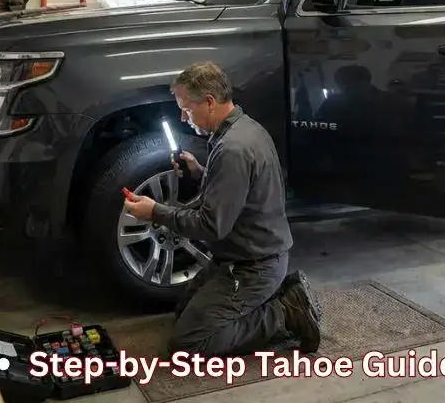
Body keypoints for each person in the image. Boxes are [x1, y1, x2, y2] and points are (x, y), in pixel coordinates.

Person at [122, 61, 323, 357]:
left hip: (253, 266)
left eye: (186, 109)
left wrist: (155, 212)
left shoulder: (232, 149)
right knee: (184, 313)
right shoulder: (244, 129)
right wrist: (199, 172)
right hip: (243, 257)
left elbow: (211, 225)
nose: (183, 117)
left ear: (209, 102)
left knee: (187, 345)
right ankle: (273, 297)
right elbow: (239, 191)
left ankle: (285, 310)